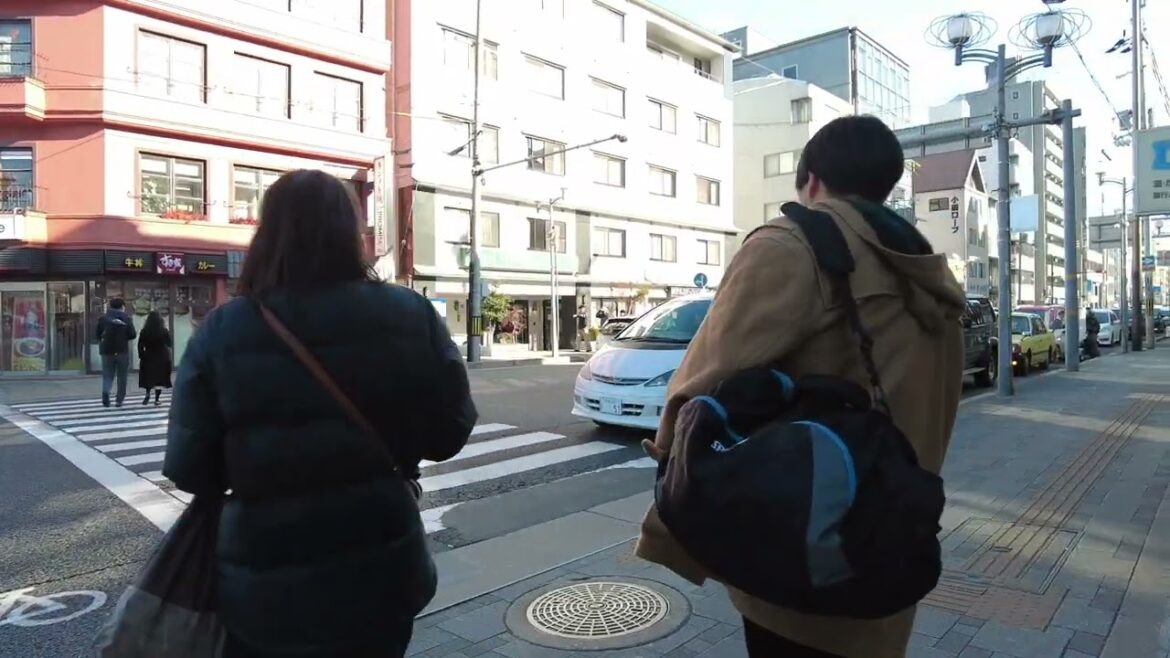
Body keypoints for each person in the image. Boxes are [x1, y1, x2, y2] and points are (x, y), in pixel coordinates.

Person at [636, 115, 967, 658]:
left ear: (811, 179)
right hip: (891, 541)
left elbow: (701, 382)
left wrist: (674, 496)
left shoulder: (793, 245)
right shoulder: (928, 272)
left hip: (802, 551)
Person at [162, 169, 477, 658]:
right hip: (380, 562)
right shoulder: (410, 314)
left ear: (268, 233)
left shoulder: (224, 329)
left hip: (265, 578)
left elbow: (188, 467)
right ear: (351, 232)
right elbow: (449, 433)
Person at [96, 298, 137, 408]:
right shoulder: (127, 319)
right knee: (122, 376)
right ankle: (119, 400)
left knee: (107, 375)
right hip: (122, 351)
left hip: (106, 352)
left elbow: (97, 334)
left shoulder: (103, 319)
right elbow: (133, 334)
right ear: (122, 306)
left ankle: (106, 396)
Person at [137, 310, 172, 406]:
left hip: (149, 356)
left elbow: (140, 345)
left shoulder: (144, 331)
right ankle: (157, 399)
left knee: (149, 377)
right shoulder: (163, 331)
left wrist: (141, 355)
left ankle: (147, 394)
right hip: (162, 356)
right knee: (159, 379)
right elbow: (169, 343)